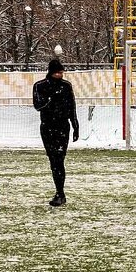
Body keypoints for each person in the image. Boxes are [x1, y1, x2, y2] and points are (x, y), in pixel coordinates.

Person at [32, 58, 79, 207]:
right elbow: (37, 105)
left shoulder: (66, 86)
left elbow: (72, 106)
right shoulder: (40, 86)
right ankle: (60, 192)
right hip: (47, 126)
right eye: (57, 72)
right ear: (51, 72)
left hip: (62, 127)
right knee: (53, 160)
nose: (60, 75)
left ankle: (60, 192)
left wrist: (75, 125)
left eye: (61, 72)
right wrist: (51, 99)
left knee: (59, 159)